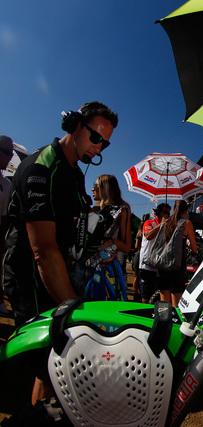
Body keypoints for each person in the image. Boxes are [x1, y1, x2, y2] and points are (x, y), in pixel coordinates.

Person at [2, 101, 117, 408]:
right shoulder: (41, 168)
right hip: (31, 276)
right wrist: (74, 308)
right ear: (75, 126)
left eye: (105, 143)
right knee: (49, 360)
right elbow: (43, 250)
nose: (100, 147)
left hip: (57, 271)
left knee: (56, 363)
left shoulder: (74, 172)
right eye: (96, 137)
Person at [157, 200, 197, 307]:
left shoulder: (166, 222)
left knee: (164, 305)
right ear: (186, 211)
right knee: (176, 305)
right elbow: (194, 248)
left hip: (163, 264)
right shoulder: (186, 223)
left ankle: (163, 318)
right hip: (177, 266)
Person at [138, 203, 170, 303]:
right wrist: (161, 225)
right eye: (165, 212)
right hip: (146, 264)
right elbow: (148, 236)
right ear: (158, 213)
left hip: (158, 265)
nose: (167, 214)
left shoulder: (166, 226)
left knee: (156, 296)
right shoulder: (149, 222)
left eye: (168, 212)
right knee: (146, 296)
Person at [0, 135, 14, 314]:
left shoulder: (7, 184)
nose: (9, 157)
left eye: (11, 154)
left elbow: (5, 216)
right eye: (6, 152)